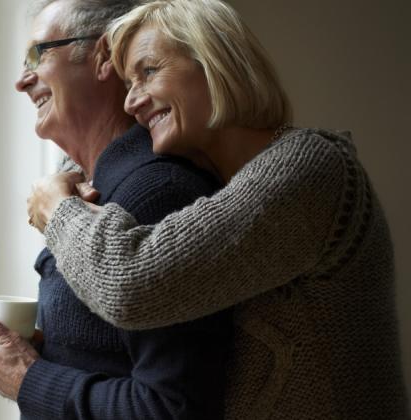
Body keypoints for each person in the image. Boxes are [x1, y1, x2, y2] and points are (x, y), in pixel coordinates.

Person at [22, 0, 409, 418]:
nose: (132, 101)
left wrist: (58, 209)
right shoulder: (227, 186)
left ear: (215, 62)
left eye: (148, 72)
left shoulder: (311, 168)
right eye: (128, 82)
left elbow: (132, 286)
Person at [0, 0, 233, 419]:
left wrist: (28, 379)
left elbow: (170, 408)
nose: (21, 81)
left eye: (39, 53)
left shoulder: (156, 192)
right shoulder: (90, 188)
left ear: (104, 56)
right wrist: (33, 354)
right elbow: (113, 356)